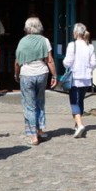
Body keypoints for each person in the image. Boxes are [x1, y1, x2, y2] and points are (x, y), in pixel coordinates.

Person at [14, 17, 56, 146]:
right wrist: (54, 76)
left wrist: (16, 74)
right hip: (42, 73)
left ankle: (33, 136)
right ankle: (40, 130)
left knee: (29, 105)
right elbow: (49, 60)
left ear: (27, 28)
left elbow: (17, 61)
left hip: (26, 73)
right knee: (40, 102)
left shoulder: (22, 41)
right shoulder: (45, 40)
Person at [62, 22, 96, 138]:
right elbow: (94, 63)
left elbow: (67, 62)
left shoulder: (72, 45)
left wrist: (64, 63)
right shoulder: (89, 46)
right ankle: (77, 125)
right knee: (80, 100)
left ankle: (80, 124)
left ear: (76, 33)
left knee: (74, 101)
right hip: (86, 78)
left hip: (75, 77)